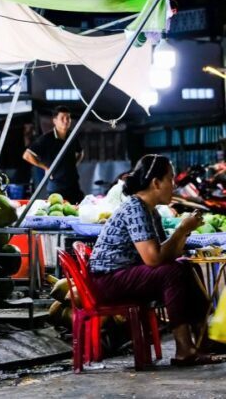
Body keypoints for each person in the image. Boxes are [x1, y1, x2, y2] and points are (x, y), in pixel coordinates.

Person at [88, 154, 216, 366]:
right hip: (107, 281)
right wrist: (182, 229)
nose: (174, 185)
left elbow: (168, 254)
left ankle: (203, 340)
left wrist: (184, 233)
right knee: (172, 272)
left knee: (184, 265)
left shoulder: (150, 211)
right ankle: (184, 349)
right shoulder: (135, 208)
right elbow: (154, 259)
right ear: (156, 183)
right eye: (171, 179)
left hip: (124, 275)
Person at [22, 105, 84, 203]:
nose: (66, 121)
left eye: (68, 118)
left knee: (79, 211)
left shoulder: (72, 136)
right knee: (57, 213)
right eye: (62, 118)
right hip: (57, 186)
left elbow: (80, 152)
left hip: (74, 186)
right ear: (55, 121)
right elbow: (27, 155)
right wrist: (46, 168)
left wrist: (74, 164)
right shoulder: (46, 139)